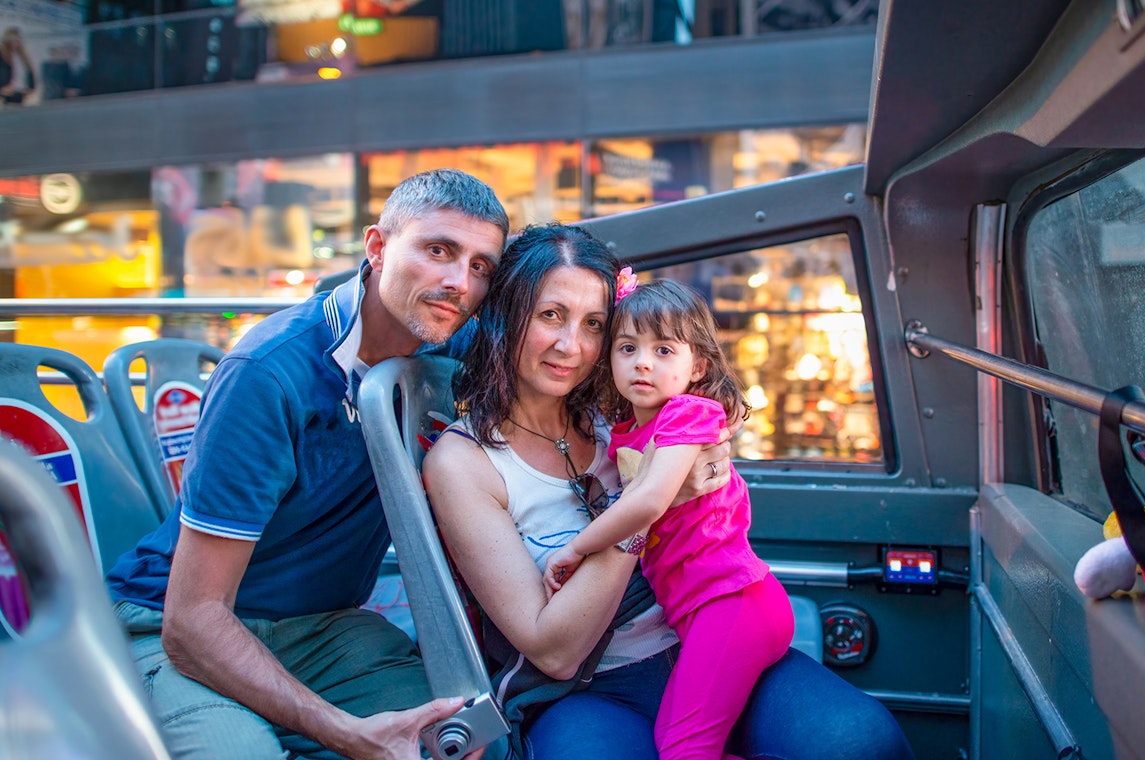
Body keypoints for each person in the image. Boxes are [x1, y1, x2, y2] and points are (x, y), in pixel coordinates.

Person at [424, 222, 915, 760]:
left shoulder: (621, 414)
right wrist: (645, 512)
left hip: (701, 636)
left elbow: (708, 452)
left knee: (863, 742)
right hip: (591, 686)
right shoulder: (464, 463)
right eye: (550, 315)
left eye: (594, 324)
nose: (572, 346)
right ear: (507, 314)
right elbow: (554, 652)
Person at [105, 168, 510, 760]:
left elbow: (557, 341)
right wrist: (344, 733)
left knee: (472, 739)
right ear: (377, 248)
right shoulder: (270, 373)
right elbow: (191, 620)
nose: (459, 282)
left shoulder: (445, 338)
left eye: (481, 267)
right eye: (438, 250)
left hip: (320, 627)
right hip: (178, 628)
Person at [542, 276, 794, 759]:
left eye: (663, 350)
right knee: (674, 743)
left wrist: (576, 548)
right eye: (627, 347)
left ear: (697, 366)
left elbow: (650, 501)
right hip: (701, 611)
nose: (642, 362)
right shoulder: (625, 431)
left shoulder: (687, 413)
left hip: (730, 601)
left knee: (684, 748)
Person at [0, 27, 35, 106]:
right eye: (12, 39)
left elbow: (30, 72)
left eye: (17, 39)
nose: (15, 42)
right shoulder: (2, 56)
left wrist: (30, 88)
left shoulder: (23, 57)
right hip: (7, 97)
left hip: (23, 95)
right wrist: (2, 90)